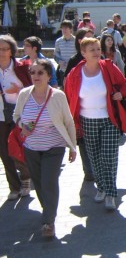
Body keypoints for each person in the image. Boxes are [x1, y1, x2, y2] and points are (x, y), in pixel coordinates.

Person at [65, 37, 126, 211]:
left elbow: (124, 86)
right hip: (87, 120)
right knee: (94, 158)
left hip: (109, 119)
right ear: (83, 53)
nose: (96, 52)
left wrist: (120, 94)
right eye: (91, 50)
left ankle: (110, 193)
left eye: (97, 49)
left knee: (109, 157)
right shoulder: (75, 73)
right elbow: (70, 96)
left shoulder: (108, 67)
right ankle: (101, 187)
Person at [13, 59, 76, 237]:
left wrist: (72, 147)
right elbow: (16, 115)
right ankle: (47, 209)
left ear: (49, 76)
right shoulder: (24, 94)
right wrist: (22, 126)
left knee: (49, 181)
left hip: (54, 147)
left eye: (40, 72)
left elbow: (68, 122)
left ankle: (49, 221)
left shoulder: (58, 96)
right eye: (32, 72)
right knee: (39, 183)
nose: (35, 76)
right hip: (31, 147)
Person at [0, 35, 32, 201]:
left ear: (12, 51)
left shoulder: (21, 67)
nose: (2, 52)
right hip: (0, 115)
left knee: (20, 148)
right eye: (0, 49)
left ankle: (25, 177)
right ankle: (14, 187)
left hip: (20, 114)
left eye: (5, 49)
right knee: (4, 153)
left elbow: (33, 89)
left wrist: (17, 91)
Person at [63, 28, 95, 182]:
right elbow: (67, 84)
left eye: (93, 38)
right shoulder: (74, 60)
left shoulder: (101, 61)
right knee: (82, 141)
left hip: (98, 111)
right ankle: (88, 170)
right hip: (80, 109)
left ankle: (96, 169)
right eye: (87, 38)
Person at [54, 20, 76, 86]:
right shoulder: (58, 41)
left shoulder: (76, 40)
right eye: (62, 28)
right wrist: (59, 61)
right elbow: (55, 55)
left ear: (71, 29)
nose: (64, 30)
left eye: (66, 28)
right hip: (63, 71)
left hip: (74, 70)